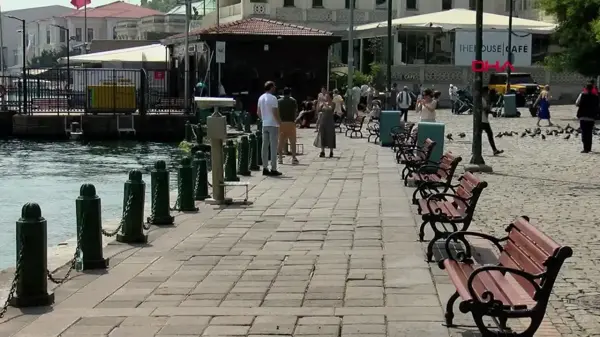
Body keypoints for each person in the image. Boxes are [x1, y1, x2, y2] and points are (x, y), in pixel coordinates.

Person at [257, 81, 282, 176]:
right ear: (271, 87)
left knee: (264, 146)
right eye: (274, 87)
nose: (275, 88)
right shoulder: (273, 98)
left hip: (265, 124)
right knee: (273, 146)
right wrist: (279, 123)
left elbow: (258, 112)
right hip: (273, 124)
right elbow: (275, 112)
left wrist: (263, 119)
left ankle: (265, 167)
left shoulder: (261, 97)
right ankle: (274, 168)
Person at [576, 82, 599, 153]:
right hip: (591, 116)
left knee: (584, 132)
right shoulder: (596, 96)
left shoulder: (582, 94)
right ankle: (589, 148)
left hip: (583, 116)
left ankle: (585, 148)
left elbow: (577, 103)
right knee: (589, 132)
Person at [278, 87, 299, 165]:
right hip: (291, 122)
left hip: (281, 123)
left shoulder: (279, 101)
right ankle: (293, 158)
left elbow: (277, 112)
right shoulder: (293, 101)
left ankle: (280, 158)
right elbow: (296, 111)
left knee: (281, 141)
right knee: (292, 141)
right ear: (290, 93)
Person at [481, 87, 504, 156]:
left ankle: (494, 150)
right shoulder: (482, 100)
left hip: (482, 119)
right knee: (489, 134)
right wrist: (492, 112)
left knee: (482, 135)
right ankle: (494, 150)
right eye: (487, 92)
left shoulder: (483, 99)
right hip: (483, 120)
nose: (488, 94)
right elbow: (485, 110)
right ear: (484, 92)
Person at [314, 92, 337, 158]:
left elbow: (330, 109)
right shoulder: (323, 104)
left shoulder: (333, 103)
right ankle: (322, 151)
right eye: (325, 97)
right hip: (323, 121)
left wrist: (324, 104)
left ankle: (331, 151)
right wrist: (319, 103)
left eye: (327, 96)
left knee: (330, 136)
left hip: (330, 122)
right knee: (322, 135)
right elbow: (318, 110)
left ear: (330, 97)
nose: (326, 98)